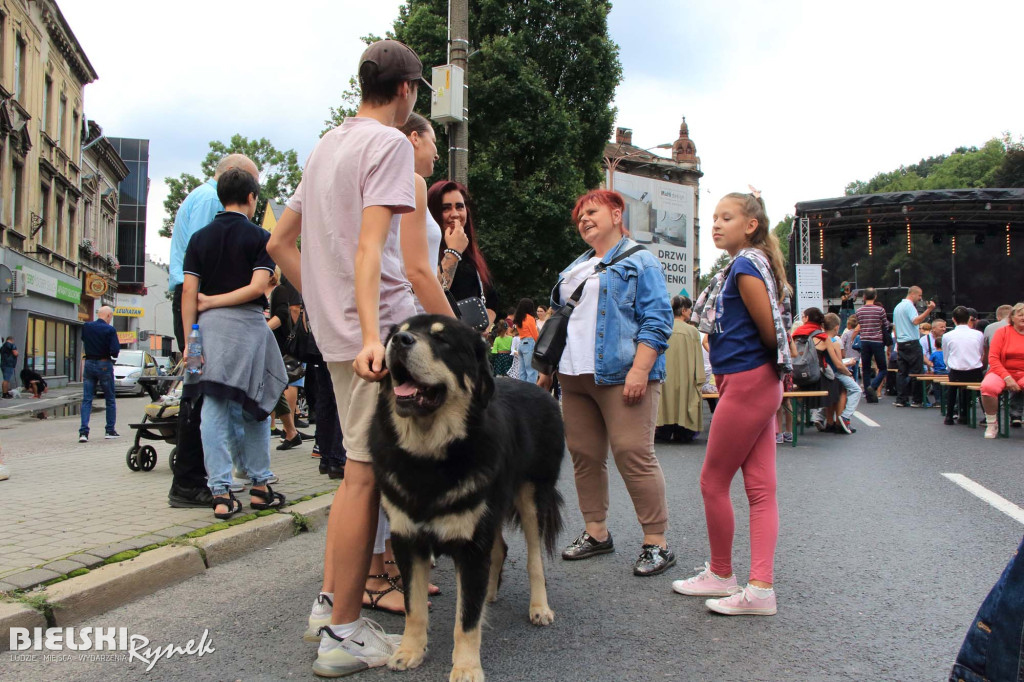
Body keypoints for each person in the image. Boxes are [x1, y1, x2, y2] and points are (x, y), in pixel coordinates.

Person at [266, 38, 434, 676]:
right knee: (364, 478)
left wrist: (327, 302)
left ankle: (329, 606)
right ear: (407, 90)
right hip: (378, 332)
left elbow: (280, 242)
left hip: (341, 332)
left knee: (353, 477)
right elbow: (373, 249)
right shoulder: (390, 144)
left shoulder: (325, 145)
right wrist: (370, 332)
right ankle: (342, 632)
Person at [539, 189, 675, 577]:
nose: (583, 220)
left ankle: (656, 542)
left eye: (592, 212)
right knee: (583, 454)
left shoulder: (641, 260)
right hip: (573, 373)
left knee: (633, 453)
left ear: (617, 214)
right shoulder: (574, 268)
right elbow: (559, 324)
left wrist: (640, 369)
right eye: (579, 216)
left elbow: (658, 318)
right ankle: (597, 532)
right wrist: (547, 372)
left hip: (621, 373)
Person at [674, 190, 790, 616]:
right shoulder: (752, 263)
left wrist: (748, 372)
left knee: (712, 481)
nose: (717, 224)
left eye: (727, 217)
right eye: (715, 217)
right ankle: (758, 589)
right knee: (760, 489)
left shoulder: (743, 265)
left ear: (751, 225)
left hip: (747, 380)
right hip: (756, 382)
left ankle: (723, 573)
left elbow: (768, 332)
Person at [181, 168, 287, 519]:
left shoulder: (199, 239)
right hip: (249, 328)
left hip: (207, 331)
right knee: (256, 404)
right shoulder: (261, 237)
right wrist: (217, 302)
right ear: (252, 198)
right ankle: (259, 485)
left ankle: (221, 493)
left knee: (212, 406)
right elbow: (259, 288)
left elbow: (188, 294)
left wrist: (190, 338)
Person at [167, 153, 260, 509]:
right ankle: (192, 481)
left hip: (196, 303)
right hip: (204, 305)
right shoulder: (212, 203)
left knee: (203, 389)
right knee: (205, 392)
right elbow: (213, 259)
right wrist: (197, 329)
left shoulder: (197, 197)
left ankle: (197, 478)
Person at [426, 180, 500, 325]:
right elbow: (432, 294)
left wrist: (484, 325)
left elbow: (492, 300)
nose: (455, 214)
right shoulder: (425, 250)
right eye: (446, 208)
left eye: (460, 207)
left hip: (468, 342)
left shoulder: (473, 255)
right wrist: (453, 251)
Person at [655, 295, 705, 444]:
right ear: (683, 310)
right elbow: (697, 358)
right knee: (684, 401)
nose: (690, 312)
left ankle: (663, 429)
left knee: (664, 402)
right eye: (689, 309)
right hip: (686, 376)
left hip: (664, 374)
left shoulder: (663, 327)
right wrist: (699, 378)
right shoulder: (692, 331)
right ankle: (683, 432)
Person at [980, 302, 1024, 439]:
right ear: (1012, 317)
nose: (1023, 317)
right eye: (1020, 315)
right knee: (988, 387)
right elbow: (993, 358)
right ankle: (992, 424)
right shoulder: (1002, 332)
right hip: (1000, 371)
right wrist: (1007, 377)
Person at [78, 306, 120, 442]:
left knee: (87, 399)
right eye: (111, 317)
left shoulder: (87, 326)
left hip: (89, 363)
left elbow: (84, 340)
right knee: (110, 399)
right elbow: (115, 351)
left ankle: (83, 433)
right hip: (104, 364)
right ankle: (110, 430)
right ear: (108, 316)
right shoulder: (110, 330)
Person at [892, 286, 935, 407]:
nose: (920, 298)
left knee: (902, 372)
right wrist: (929, 310)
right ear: (913, 294)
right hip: (912, 341)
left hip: (901, 342)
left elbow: (894, 326)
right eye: (919, 295)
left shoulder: (897, 307)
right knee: (917, 371)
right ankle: (917, 399)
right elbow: (916, 321)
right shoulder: (909, 306)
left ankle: (901, 399)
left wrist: (898, 340)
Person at [943, 306, 985, 427]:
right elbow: (980, 351)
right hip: (975, 371)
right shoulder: (978, 334)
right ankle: (968, 414)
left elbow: (946, 356)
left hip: (956, 371)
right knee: (973, 389)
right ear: (969, 319)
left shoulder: (947, 336)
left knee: (952, 389)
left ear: (953, 319)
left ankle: (949, 415)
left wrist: (949, 367)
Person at [824, 312, 860, 434]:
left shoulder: (820, 339)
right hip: (835, 373)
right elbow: (839, 364)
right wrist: (849, 373)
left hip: (824, 374)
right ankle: (845, 416)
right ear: (836, 327)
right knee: (855, 390)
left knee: (834, 393)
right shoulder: (834, 341)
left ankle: (828, 421)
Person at [856, 288, 890, 403]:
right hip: (877, 341)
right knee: (883, 368)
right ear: (875, 297)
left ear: (864, 297)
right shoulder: (880, 310)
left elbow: (860, 324)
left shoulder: (859, 311)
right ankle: (873, 386)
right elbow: (886, 324)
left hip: (864, 340)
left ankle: (868, 395)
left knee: (865, 368)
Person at [513, 298, 539, 383]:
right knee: (532, 371)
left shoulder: (518, 318)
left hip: (521, 343)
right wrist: (539, 344)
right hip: (529, 343)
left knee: (522, 372)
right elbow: (534, 333)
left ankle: (522, 392)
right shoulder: (530, 318)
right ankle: (531, 393)